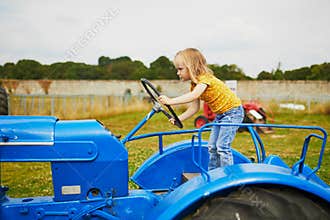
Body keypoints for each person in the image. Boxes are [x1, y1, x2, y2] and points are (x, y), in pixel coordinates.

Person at [158, 48, 244, 170]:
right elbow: (194, 108)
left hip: (233, 112)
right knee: (212, 147)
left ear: (192, 66)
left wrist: (170, 101)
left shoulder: (205, 79)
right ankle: (213, 174)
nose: (178, 73)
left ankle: (228, 176)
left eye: (180, 69)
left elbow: (193, 96)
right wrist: (179, 118)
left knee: (222, 147)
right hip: (221, 115)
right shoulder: (194, 85)